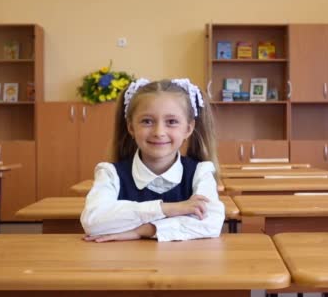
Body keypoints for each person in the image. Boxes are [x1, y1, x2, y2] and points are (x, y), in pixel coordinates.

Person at [80, 78, 225, 242]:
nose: (159, 132)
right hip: (124, 265)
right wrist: (169, 209)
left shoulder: (200, 172)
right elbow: (93, 221)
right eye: (147, 121)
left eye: (171, 122)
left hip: (183, 265)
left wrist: (144, 230)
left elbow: (211, 223)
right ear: (131, 127)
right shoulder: (110, 173)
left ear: (188, 128)